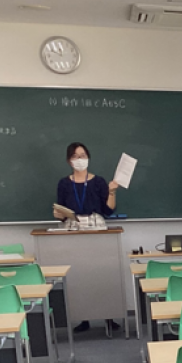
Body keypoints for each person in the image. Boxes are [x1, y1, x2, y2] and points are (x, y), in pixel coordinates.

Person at [55, 142, 121, 333]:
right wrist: (58, 214)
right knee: (77, 273)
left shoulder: (98, 182)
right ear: (69, 160)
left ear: (88, 158)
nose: (80, 159)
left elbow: (108, 210)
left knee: (102, 272)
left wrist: (112, 192)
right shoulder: (64, 183)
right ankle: (83, 318)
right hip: (73, 228)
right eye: (75, 156)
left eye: (83, 155)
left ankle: (109, 316)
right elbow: (61, 210)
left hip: (96, 227)